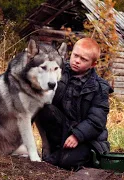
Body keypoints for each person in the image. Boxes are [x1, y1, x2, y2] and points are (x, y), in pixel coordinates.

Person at [34, 38, 113, 171]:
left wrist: (77, 135)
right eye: (75, 55)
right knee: (44, 108)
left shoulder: (99, 87)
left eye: (83, 59)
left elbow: (97, 120)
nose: (77, 61)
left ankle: (80, 158)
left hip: (87, 140)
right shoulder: (58, 71)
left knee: (65, 161)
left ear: (93, 64)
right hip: (63, 129)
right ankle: (52, 149)